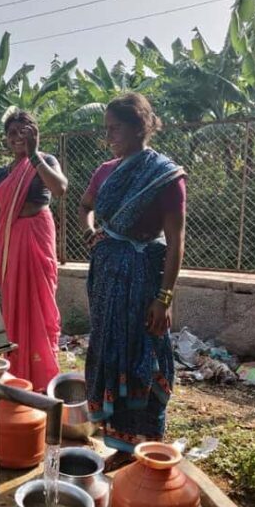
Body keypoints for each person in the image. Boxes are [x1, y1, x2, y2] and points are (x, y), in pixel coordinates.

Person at [78, 93, 187, 472]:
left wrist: (165, 297)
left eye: (115, 128)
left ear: (140, 126)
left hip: (144, 279)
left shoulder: (165, 176)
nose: (109, 136)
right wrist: (91, 231)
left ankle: (148, 444)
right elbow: (85, 206)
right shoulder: (106, 171)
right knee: (112, 352)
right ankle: (122, 446)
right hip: (106, 277)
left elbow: (175, 243)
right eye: (106, 129)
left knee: (145, 354)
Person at [0, 110, 67, 393]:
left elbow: (60, 188)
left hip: (37, 236)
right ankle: (17, 371)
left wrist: (34, 156)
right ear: (6, 139)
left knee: (41, 300)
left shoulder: (46, 161)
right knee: (13, 305)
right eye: (12, 133)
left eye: (24, 131)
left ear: (34, 132)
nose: (17, 137)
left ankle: (44, 375)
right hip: (9, 242)